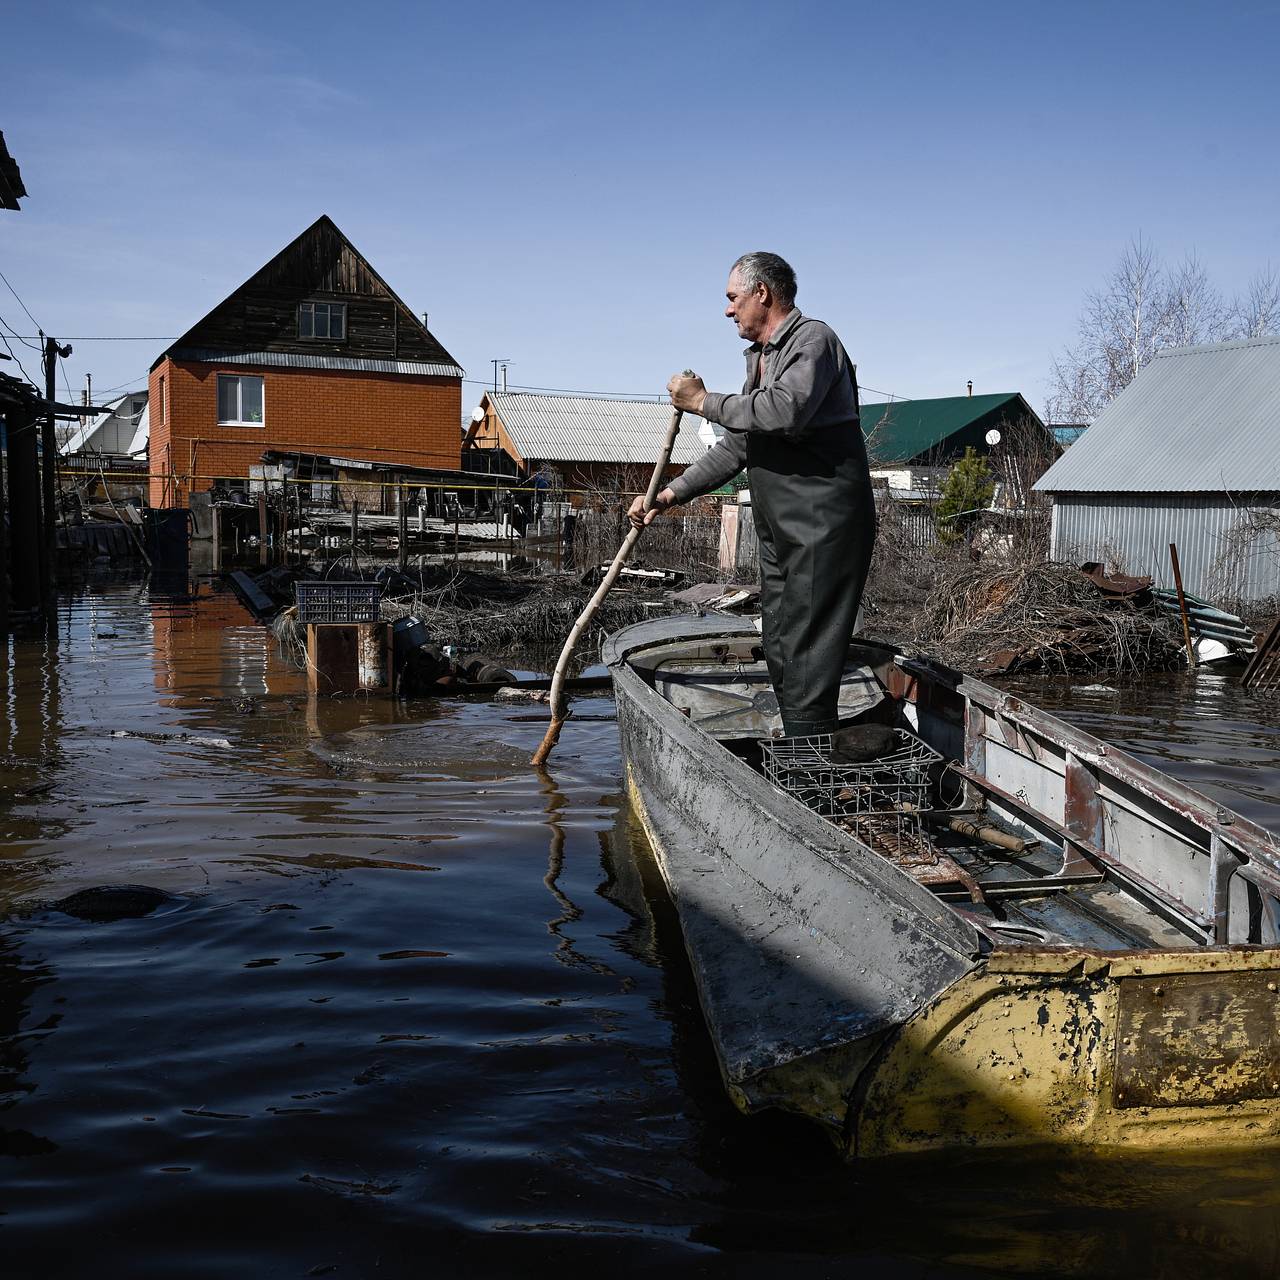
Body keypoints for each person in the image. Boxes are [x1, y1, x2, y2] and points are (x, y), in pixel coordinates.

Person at [629, 251, 876, 738]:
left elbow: (784, 411)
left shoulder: (814, 341)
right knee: (782, 644)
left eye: (732, 298)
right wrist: (669, 494)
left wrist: (702, 402)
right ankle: (804, 746)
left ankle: (811, 768)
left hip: (820, 528)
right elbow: (740, 444)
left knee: (808, 650)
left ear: (762, 293)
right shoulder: (764, 359)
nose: (727, 310)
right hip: (782, 531)